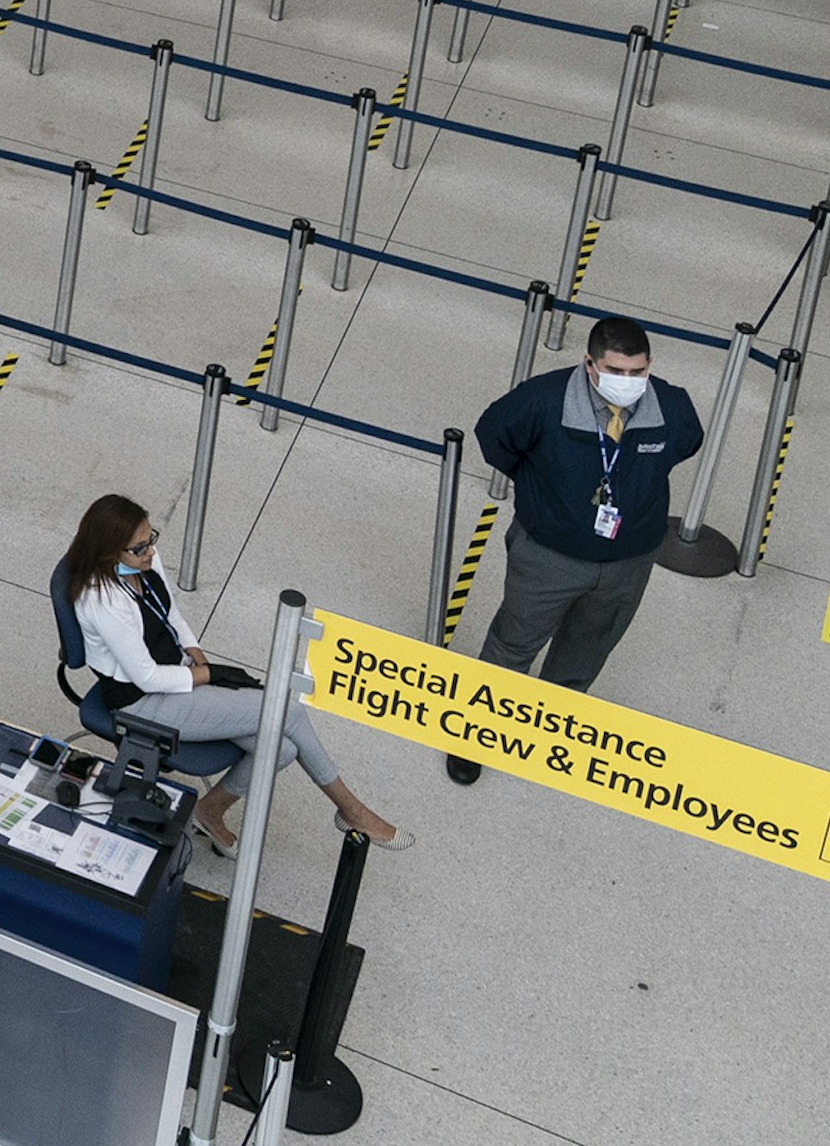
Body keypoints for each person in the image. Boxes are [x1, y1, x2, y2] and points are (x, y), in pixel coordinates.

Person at [62, 495, 406, 857]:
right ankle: (353, 811)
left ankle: (209, 811)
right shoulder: (103, 601)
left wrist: (194, 650)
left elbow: (170, 612)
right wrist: (207, 675)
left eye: (151, 539)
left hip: (177, 673)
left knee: (282, 748)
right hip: (143, 701)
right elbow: (147, 679)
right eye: (139, 548)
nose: (150, 552)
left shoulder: (141, 562)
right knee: (288, 712)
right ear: (108, 553)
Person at [449, 315, 704, 782]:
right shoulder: (543, 401)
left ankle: (550, 730)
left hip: (628, 560)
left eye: (638, 372)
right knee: (513, 644)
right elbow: (495, 436)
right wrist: (542, 494)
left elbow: (686, 443)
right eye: (616, 371)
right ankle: (475, 734)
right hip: (548, 555)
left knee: (586, 650)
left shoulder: (672, 406)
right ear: (589, 364)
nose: (629, 383)